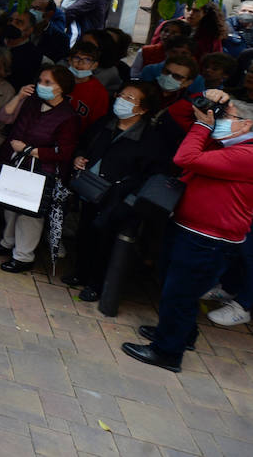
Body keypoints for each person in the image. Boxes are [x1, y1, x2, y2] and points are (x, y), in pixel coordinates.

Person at [123, 90, 253, 373]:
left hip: (207, 240)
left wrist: (203, 126)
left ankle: (167, 352)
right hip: (193, 230)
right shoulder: (230, 144)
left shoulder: (247, 155)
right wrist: (205, 94)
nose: (217, 120)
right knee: (178, 288)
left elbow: (186, 157)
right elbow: (180, 114)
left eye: (225, 116)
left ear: (246, 124)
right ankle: (181, 335)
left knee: (179, 293)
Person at [64, 81, 166, 301]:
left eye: (130, 99)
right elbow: (83, 143)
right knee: (85, 234)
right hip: (91, 190)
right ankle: (80, 273)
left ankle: (96, 284)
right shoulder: (104, 123)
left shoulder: (149, 139)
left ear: (143, 108)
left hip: (118, 199)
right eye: (121, 95)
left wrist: (129, 200)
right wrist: (79, 157)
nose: (121, 100)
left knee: (106, 243)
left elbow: (149, 175)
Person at [0, 65, 79, 272]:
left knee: (29, 215)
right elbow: (6, 117)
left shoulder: (68, 116)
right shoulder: (31, 102)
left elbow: (64, 152)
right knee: (10, 205)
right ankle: (7, 243)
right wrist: (19, 96)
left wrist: (30, 150)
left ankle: (23, 256)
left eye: (48, 83)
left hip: (41, 172)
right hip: (16, 164)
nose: (41, 85)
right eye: (40, 81)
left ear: (61, 88)